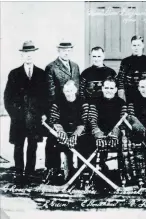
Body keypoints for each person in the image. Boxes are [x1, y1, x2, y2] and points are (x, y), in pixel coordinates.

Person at [4, 41, 48, 183]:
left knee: (33, 145)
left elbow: (45, 97)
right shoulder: (14, 74)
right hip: (19, 118)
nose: (29, 56)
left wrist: (43, 113)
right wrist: (15, 115)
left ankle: (30, 172)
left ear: (34, 54)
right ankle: (18, 172)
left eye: (31, 53)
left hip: (34, 118)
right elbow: (7, 98)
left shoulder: (41, 74)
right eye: (26, 53)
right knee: (18, 145)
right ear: (22, 55)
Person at [45, 40, 81, 173]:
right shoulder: (51, 67)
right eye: (63, 50)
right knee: (55, 139)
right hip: (59, 109)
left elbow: (79, 88)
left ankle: (74, 170)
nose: (66, 52)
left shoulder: (75, 66)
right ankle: (53, 169)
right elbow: (51, 92)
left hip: (74, 109)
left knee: (77, 138)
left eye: (69, 50)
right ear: (58, 51)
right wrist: (56, 109)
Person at [45, 80, 89, 185]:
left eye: (71, 90)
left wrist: (75, 136)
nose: (69, 93)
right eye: (66, 91)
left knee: (87, 142)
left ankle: (83, 172)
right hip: (62, 133)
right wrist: (61, 132)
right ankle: (53, 170)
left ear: (75, 90)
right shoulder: (57, 103)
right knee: (50, 141)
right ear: (63, 91)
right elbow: (54, 120)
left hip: (78, 134)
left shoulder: (83, 103)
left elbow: (84, 122)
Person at [89, 77, 127, 187]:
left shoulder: (121, 103)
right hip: (99, 133)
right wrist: (98, 134)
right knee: (88, 142)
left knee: (123, 143)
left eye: (111, 88)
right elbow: (92, 119)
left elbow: (122, 121)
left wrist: (115, 133)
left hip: (115, 133)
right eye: (106, 88)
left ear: (115, 89)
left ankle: (119, 173)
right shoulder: (95, 101)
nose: (108, 90)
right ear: (102, 88)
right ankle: (94, 173)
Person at [117, 35, 146, 102]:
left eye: (138, 45)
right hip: (130, 95)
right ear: (131, 46)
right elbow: (120, 80)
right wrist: (122, 99)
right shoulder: (125, 61)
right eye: (134, 45)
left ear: (142, 46)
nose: (136, 48)